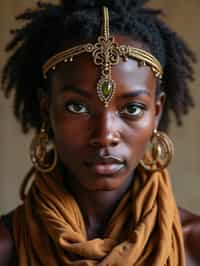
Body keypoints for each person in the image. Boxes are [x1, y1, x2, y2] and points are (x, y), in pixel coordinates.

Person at [0, 0, 200, 265]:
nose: (106, 135)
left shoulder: (193, 245)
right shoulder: (7, 247)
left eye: (132, 108)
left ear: (157, 112)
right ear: (46, 109)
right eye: (77, 106)